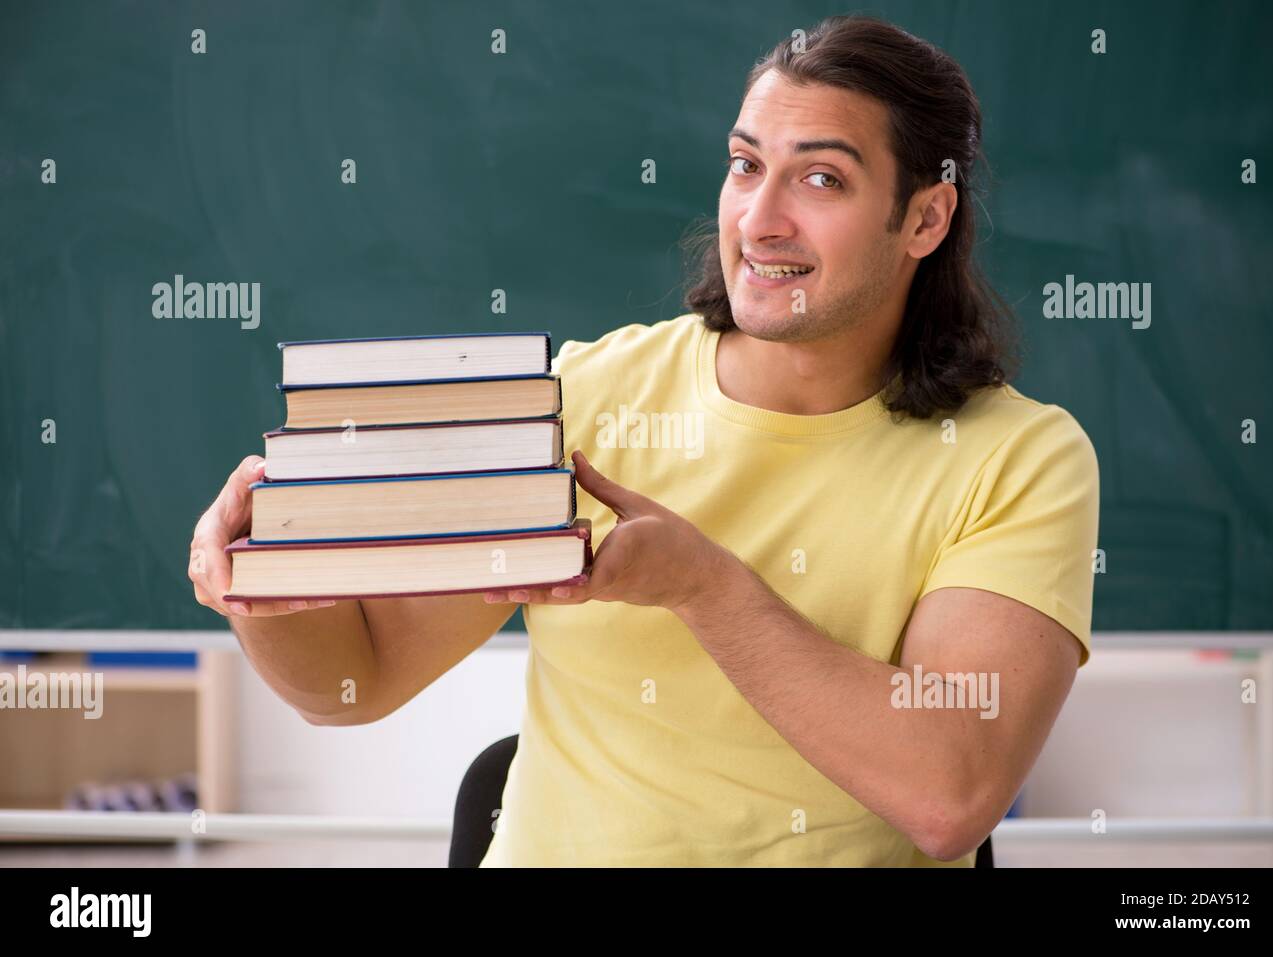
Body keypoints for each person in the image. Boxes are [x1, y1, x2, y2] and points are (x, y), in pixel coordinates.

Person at [189, 15, 1099, 867]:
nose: (761, 218)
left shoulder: (1019, 460)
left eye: (821, 179)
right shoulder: (585, 399)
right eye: (746, 166)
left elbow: (950, 790)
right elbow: (360, 679)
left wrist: (702, 585)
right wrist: (266, 590)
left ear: (926, 219)